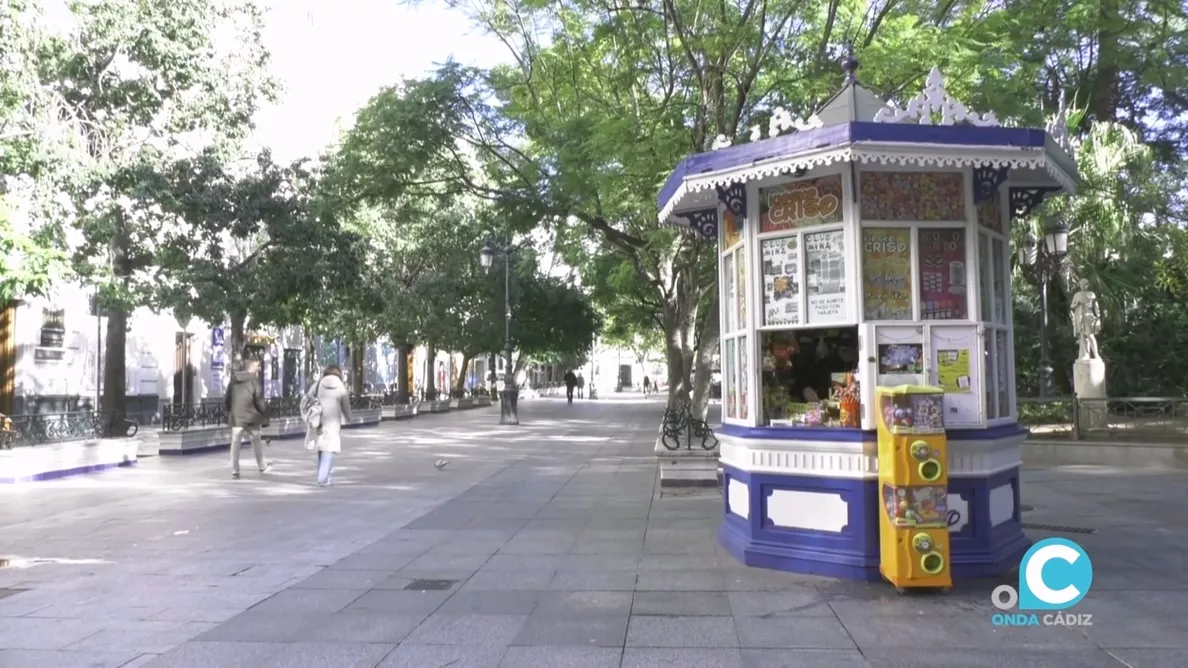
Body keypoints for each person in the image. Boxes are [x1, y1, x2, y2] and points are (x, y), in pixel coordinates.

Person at [301, 365, 353, 487]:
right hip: (333, 422)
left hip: (318, 420)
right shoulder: (341, 386)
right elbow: (346, 405)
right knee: (329, 450)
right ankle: (323, 478)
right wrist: (349, 417)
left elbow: (307, 398)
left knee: (321, 447)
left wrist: (307, 413)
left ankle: (321, 475)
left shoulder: (318, 384)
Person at [225, 358, 271, 480]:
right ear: (250, 367)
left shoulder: (234, 380)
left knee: (235, 443)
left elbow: (227, 398)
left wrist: (231, 410)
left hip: (237, 416)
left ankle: (235, 470)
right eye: (257, 365)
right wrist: (265, 413)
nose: (259, 367)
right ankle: (262, 466)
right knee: (256, 441)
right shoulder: (254, 380)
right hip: (252, 416)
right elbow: (259, 400)